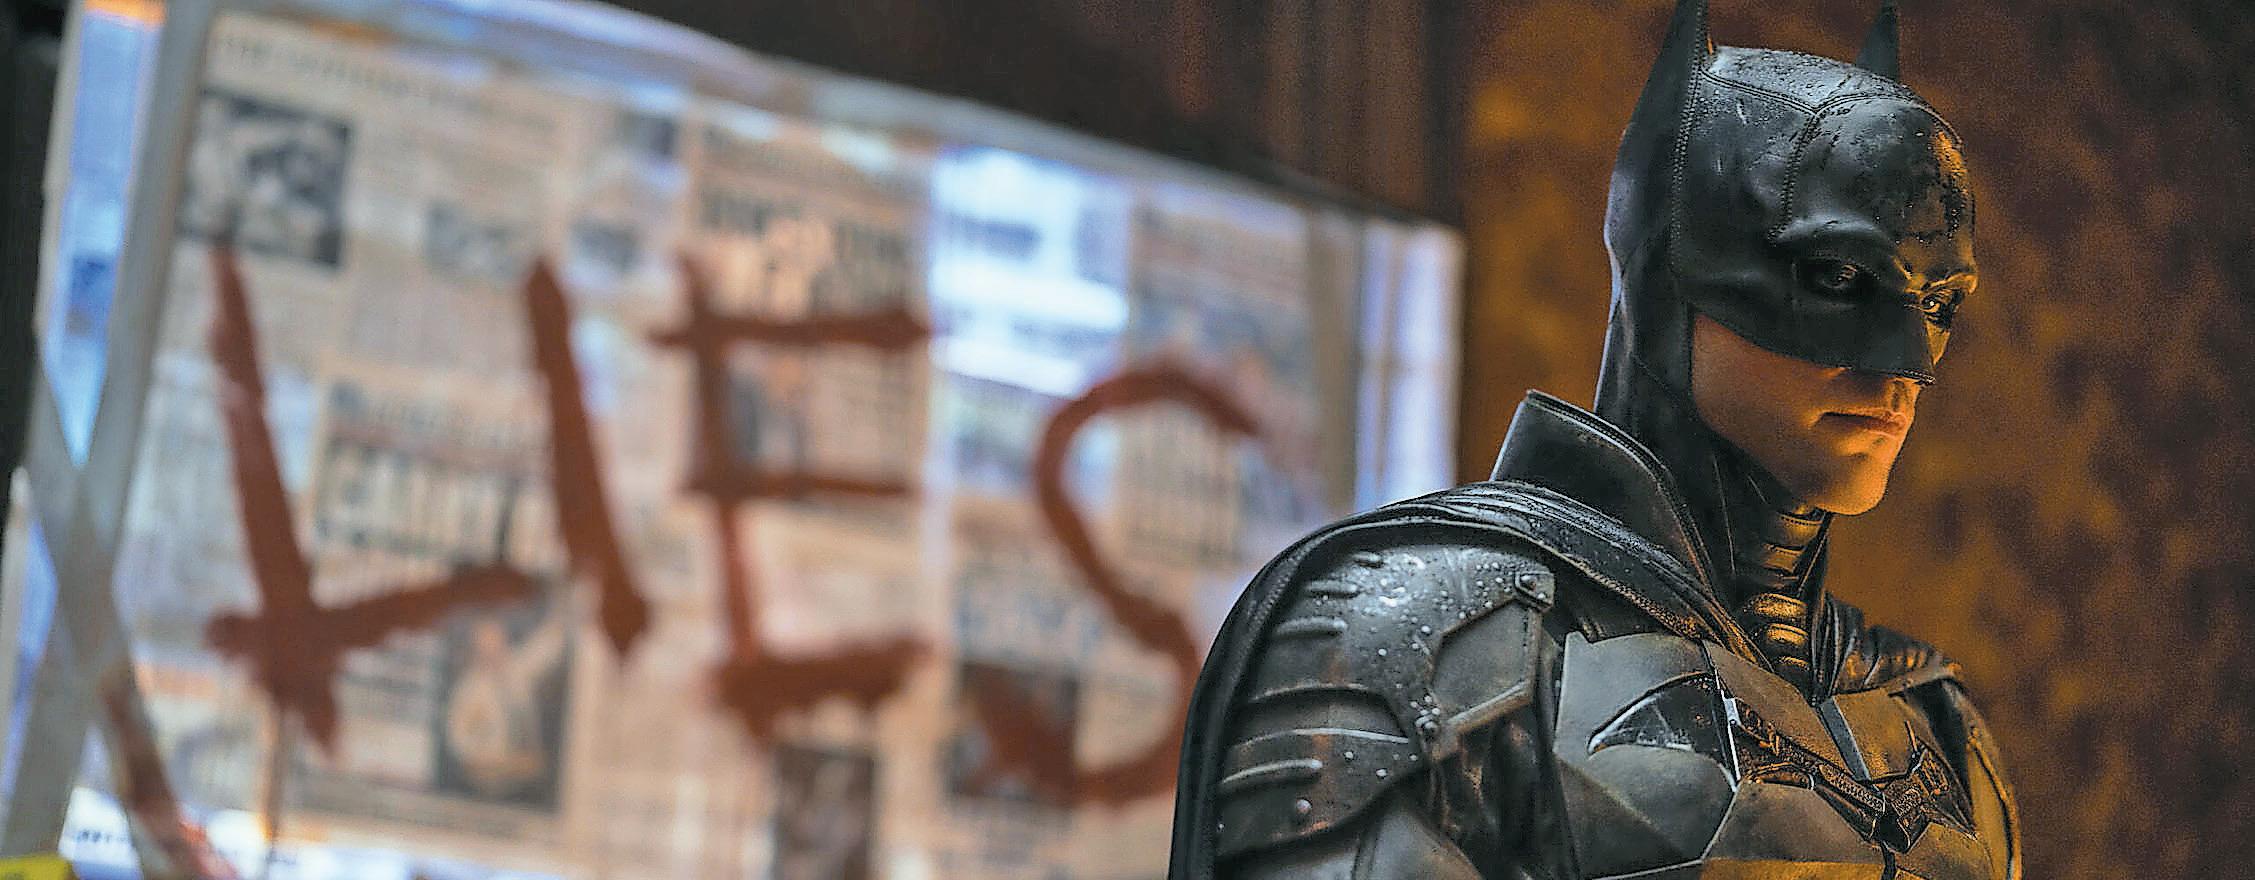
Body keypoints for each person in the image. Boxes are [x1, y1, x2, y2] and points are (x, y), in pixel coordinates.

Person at [1167, 1, 2020, 877]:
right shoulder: (1418, 628)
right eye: (1837, 278)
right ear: (1667, 273)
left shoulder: (1931, 720)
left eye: (1937, 303)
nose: (1905, 365)